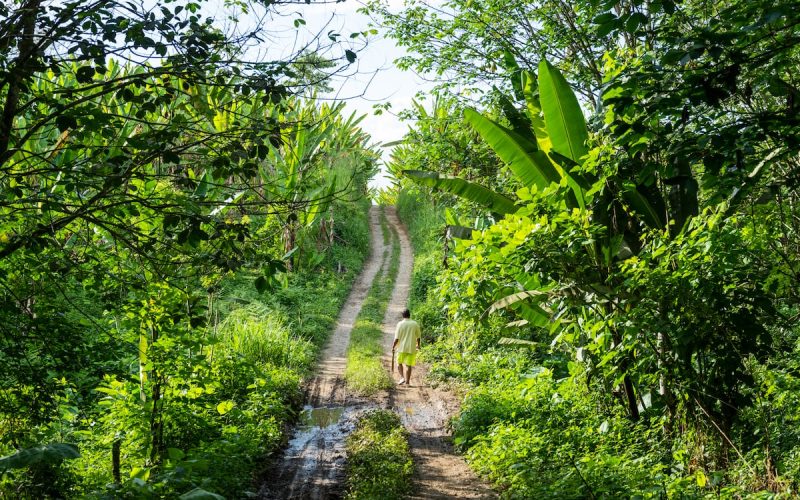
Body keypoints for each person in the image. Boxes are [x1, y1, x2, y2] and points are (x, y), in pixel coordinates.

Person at [392, 308, 421, 385]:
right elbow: (418, 337)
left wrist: (393, 346)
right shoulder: (415, 324)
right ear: (409, 315)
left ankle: (402, 377)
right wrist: (418, 345)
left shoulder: (400, 324)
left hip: (401, 348)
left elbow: (397, 338)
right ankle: (407, 382)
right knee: (408, 365)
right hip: (411, 348)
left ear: (402, 315)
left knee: (399, 363)